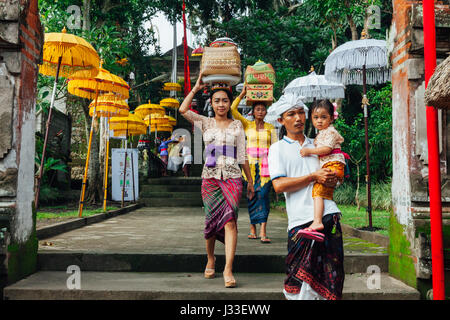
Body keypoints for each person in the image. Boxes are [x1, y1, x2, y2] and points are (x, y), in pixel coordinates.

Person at [179, 72, 255, 288]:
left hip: (232, 177)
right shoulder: (205, 122)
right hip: (210, 178)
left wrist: (249, 180)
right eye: (217, 100)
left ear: (230, 102)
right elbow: (183, 110)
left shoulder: (237, 126)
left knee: (231, 221)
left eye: (225, 100)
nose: (221, 104)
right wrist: (195, 88)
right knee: (211, 221)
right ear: (211, 103)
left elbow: (242, 156)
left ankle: (228, 268)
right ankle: (211, 258)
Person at [267, 93, 344, 300]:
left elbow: (335, 174)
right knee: (296, 284)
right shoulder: (277, 149)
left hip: (328, 215)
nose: (299, 117)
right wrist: (312, 176)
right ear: (281, 120)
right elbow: (278, 185)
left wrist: (333, 178)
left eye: (301, 112)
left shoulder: (318, 143)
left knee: (332, 281)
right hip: (300, 222)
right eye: (291, 114)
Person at [231, 86, 278, 243]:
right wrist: (243, 94)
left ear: (266, 112)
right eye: (257, 109)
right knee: (252, 195)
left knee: (263, 195)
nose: (260, 112)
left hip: (266, 166)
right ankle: (253, 228)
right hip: (249, 167)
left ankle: (263, 229)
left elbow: (276, 148)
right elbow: (233, 109)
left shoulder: (271, 128)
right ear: (253, 112)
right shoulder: (247, 125)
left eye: (262, 109)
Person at [298, 100, 345, 241]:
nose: (319, 121)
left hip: (333, 164)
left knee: (317, 190)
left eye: (324, 117)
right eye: (316, 117)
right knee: (320, 191)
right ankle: (319, 220)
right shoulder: (321, 133)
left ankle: (317, 221)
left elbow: (327, 149)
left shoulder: (330, 132)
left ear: (331, 118)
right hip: (330, 165)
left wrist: (309, 151)